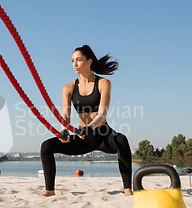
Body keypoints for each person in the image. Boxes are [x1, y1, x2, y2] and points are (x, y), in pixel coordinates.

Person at [40, 45, 133, 197]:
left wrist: (91, 126)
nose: (74, 64)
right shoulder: (69, 88)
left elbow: (102, 112)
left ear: (89, 62)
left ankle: (128, 189)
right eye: (72, 61)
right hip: (83, 138)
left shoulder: (103, 83)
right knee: (46, 146)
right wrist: (64, 130)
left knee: (121, 139)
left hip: (103, 135)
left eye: (78, 60)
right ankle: (50, 190)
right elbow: (66, 114)